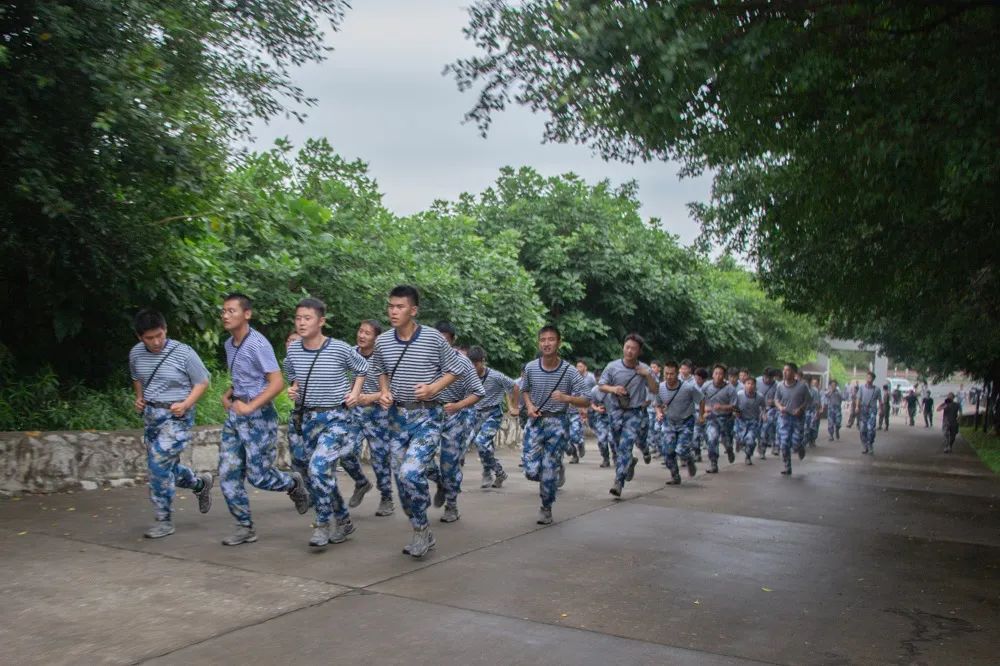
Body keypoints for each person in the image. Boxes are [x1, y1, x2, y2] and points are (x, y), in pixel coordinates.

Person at [370, 285, 463, 558]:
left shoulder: (433, 338)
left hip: (427, 416)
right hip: (397, 418)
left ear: (413, 310)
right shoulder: (383, 342)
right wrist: (384, 392)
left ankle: (422, 530)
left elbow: (456, 369)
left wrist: (433, 388)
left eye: (399, 307)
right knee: (401, 481)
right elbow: (380, 371)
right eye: (390, 306)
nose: (393, 311)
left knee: (410, 473)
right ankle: (421, 527)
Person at [218, 293, 309, 546]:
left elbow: (276, 382)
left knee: (259, 476)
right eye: (223, 311)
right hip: (236, 416)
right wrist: (229, 395)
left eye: (231, 311)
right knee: (227, 473)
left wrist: (250, 406)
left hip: (258, 417)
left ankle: (292, 483)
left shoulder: (258, 344)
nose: (226, 315)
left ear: (246, 314)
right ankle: (244, 526)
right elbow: (244, 377)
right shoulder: (229, 344)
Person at [283, 298, 369, 548]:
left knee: (318, 468)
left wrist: (355, 393)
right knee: (320, 475)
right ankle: (343, 520)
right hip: (308, 419)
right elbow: (293, 375)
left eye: (307, 318)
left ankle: (322, 524)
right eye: (298, 318)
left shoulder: (339, 348)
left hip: (336, 418)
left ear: (321, 321)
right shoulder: (294, 351)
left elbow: (362, 368)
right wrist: (294, 388)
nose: (301, 323)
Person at [129, 309, 213, 539]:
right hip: (152, 416)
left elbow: (202, 382)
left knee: (157, 464)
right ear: (140, 337)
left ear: (165, 329)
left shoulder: (183, 353)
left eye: (160, 335)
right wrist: (139, 398)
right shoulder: (136, 353)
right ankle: (199, 485)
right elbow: (137, 377)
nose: (156, 342)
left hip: (178, 417)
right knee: (166, 466)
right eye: (150, 338)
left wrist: (186, 404)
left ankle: (163, 520)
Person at [520, 325, 589, 524]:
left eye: (551, 339)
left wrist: (567, 398)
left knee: (548, 469)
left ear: (559, 342)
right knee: (531, 470)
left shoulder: (569, 371)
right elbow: (524, 390)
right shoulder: (531, 367)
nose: (546, 343)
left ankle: (546, 507)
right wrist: (529, 406)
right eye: (543, 339)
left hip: (558, 423)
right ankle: (554, 470)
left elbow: (586, 399)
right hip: (535, 422)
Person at [425, 324, 485, 524]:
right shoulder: (424, 358)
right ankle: (440, 482)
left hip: (454, 417)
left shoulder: (463, 362)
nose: (440, 343)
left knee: (449, 464)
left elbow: (478, 392)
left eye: (445, 339)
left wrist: (458, 406)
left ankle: (451, 504)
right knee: (419, 460)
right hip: (427, 415)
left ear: (452, 340)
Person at [600, 334, 659, 497]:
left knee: (625, 446)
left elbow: (655, 390)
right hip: (615, 411)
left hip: (634, 412)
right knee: (617, 446)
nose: (629, 351)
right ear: (623, 347)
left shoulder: (645, 369)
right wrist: (614, 389)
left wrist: (647, 375)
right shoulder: (612, 366)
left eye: (634, 348)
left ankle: (618, 482)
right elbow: (601, 385)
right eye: (627, 347)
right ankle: (630, 462)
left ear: (639, 351)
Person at [351, 320, 396, 517]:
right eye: (360, 331)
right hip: (353, 413)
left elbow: (394, 389)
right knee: (345, 450)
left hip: (379, 414)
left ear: (376, 338)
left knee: (380, 458)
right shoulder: (350, 354)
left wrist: (372, 397)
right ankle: (361, 482)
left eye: (367, 333)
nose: (362, 335)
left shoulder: (384, 358)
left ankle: (386, 497)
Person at [468, 346, 519, 488]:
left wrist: (514, 407)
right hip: (476, 414)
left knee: (481, 442)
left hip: (493, 414)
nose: (473, 368)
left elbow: (515, 387)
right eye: (470, 364)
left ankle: (494, 471)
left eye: (476, 364)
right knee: (484, 446)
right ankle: (493, 473)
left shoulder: (496, 376)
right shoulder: (467, 376)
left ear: (483, 361)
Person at [654, 360, 702, 484]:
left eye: (672, 374)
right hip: (669, 422)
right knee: (668, 452)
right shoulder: (660, 387)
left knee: (681, 450)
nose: (669, 376)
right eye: (666, 374)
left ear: (677, 373)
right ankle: (675, 476)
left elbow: (701, 399)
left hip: (686, 422)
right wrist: (659, 413)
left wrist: (701, 416)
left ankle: (689, 458)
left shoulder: (688, 387)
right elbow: (657, 404)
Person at [774, 362, 812, 475]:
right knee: (784, 443)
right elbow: (776, 399)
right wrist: (780, 407)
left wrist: (801, 408)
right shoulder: (780, 386)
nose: (785, 372)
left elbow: (808, 400)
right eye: (784, 370)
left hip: (798, 418)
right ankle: (787, 467)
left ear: (794, 373)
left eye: (788, 370)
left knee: (795, 442)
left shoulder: (802, 386)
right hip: (784, 417)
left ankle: (800, 447)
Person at [701, 364, 738, 473]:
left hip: (725, 418)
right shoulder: (706, 386)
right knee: (712, 438)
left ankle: (729, 449)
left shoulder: (730, 389)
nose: (718, 376)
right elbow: (699, 400)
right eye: (716, 373)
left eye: (720, 374)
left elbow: (735, 406)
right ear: (712, 374)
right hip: (711, 418)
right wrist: (704, 408)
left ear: (724, 376)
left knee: (725, 440)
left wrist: (722, 407)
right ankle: (713, 462)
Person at [733, 376, 766, 464]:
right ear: (744, 385)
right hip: (741, 421)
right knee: (740, 438)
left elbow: (763, 407)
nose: (750, 386)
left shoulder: (760, 396)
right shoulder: (739, 394)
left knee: (751, 440)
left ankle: (748, 456)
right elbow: (734, 406)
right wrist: (736, 412)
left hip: (753, 422)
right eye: (748, 383)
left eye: (752, 384)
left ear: (755, 386)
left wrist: (764, 414)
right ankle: (740, 443)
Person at [855, 372, 882, 454]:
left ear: (873, 379)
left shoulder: (877, 389)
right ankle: (864, 445)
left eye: (870, 377)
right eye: (867, 377)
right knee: (862, 429)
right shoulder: (862, 388)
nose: (868, 379)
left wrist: (881, 409)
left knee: (871, 429)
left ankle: (870, 444)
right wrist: (857, 406)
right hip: (863, 409)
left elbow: (880, 400)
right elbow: (858, 398)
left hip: (872, 410)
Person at [757, 367, 779, 459]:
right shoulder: (756, 382)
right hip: (758, 409)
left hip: (771, 410)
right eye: (766, 377)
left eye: (770, 378)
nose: (768, 380)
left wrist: (774, 402)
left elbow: (780, 400)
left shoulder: (777, 385)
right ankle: (760, 445)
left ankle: (763, 449)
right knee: (758, 429)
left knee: (766, 428)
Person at [691, 367, 710, 462]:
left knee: (708, 435)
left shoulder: (709, 387)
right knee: (695, 435)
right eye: (695, 378)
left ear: (704, 379)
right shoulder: (692, 387)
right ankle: (697, 453)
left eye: (698, 379)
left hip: (708, 413)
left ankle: (712, 453)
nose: (696, 380)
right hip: (696, 413)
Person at [803, 375, 821, 448]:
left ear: (809, 382)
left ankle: (812, 440)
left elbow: (817, 402)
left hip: (812, 411)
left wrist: (817, 412)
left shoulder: (814, 391)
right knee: (805, 428)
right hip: (804, 411)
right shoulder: (801, 389)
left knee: (812, 427)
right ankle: (804, 442)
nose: (805, 384)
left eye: (806, 382)